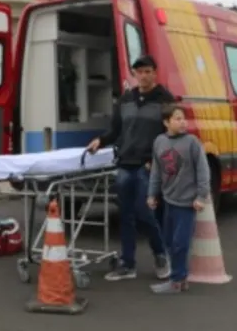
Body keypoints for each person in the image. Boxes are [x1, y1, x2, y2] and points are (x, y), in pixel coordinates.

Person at [86, 54, 172, 281]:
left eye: (147, 72)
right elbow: (115, 130)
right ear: (134, 74)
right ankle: (127, 264)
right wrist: (100, 141)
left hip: (148, 166)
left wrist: (156, 160)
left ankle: (161, 254)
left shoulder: (165, 100)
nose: (143, 76)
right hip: (125, 163)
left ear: (155, 73)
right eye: (139, 72)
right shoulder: (125, 100)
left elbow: (171, 134)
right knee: (126, 215)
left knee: (145, 212)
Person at [147, 105, 211, 294]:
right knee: (168, 240)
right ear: (166, 122)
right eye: (177, 118)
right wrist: (152, 194)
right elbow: (156, 171)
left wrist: (201, 196)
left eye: (183, 118)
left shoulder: (192, 142)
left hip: (187, 202)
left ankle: (177, 279)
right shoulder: (159, 142)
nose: (182, 122)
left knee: (180, 242)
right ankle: (180, 278)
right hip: (168, 200)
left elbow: (203, 170)